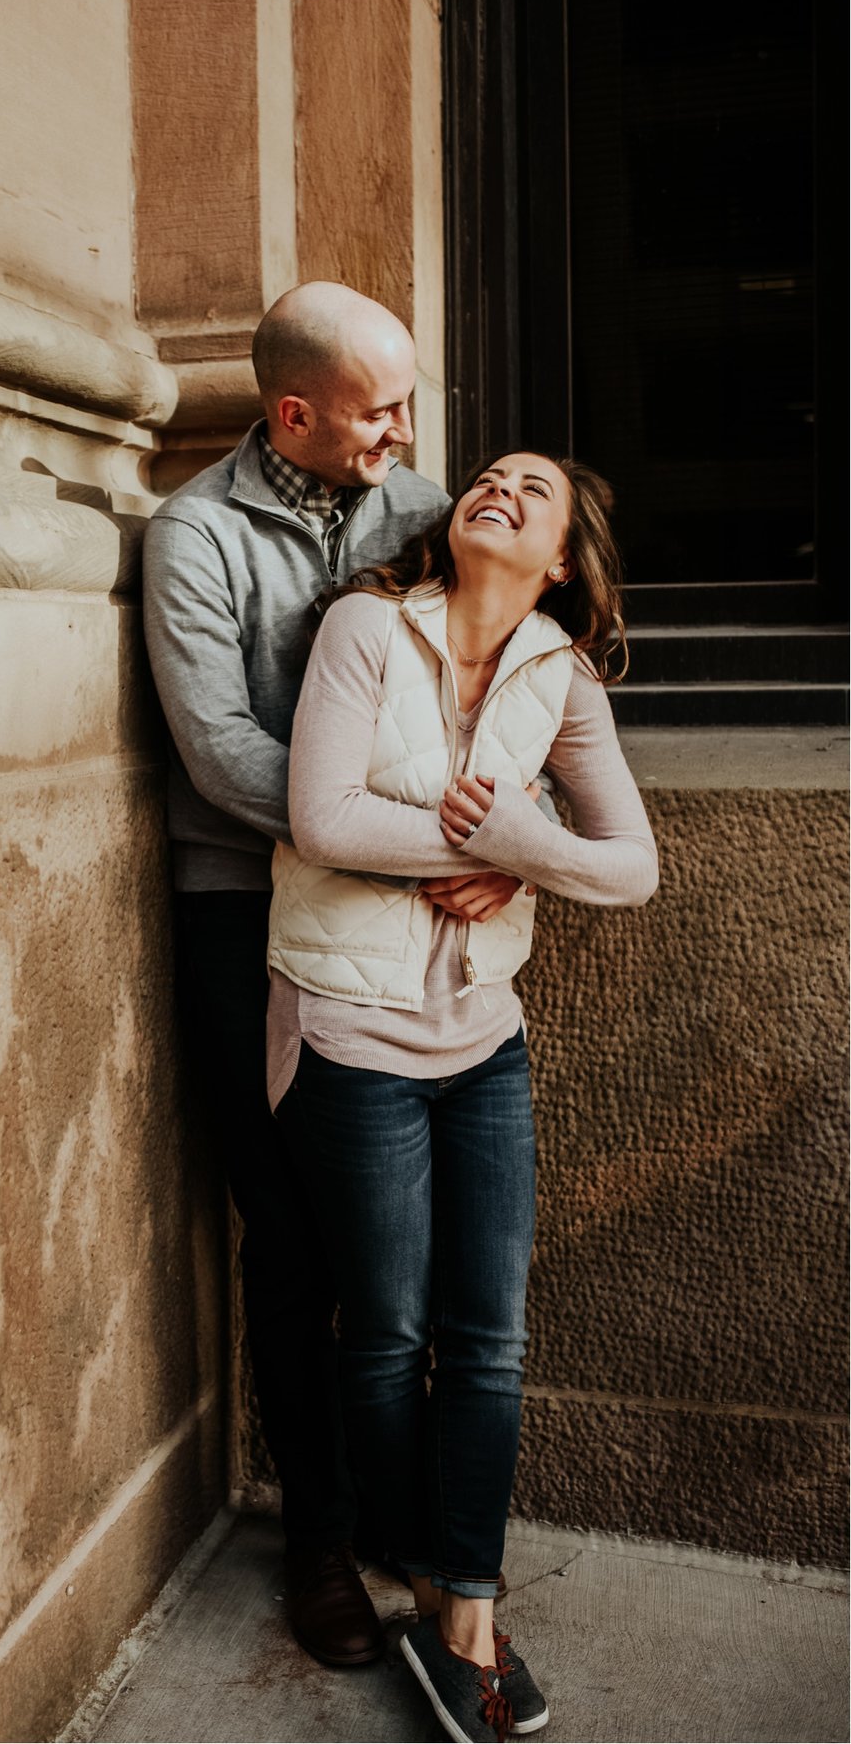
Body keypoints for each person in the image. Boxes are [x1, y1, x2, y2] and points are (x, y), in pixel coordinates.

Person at [140, 281, 534, 1668]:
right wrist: (408, 847)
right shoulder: (191, 535)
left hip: (397, 936)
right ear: (292, 412)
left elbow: (510, 677)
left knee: (413, 1268)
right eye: (379, 408)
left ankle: (420, 1537)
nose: (405, 430)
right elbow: (220, 753)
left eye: (408, 401)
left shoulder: (425, 506)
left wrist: (519, 842)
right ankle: (320, 1543)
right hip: (243, 925)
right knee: (294, 1245)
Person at [274, 450, 655, 1740]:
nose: (499, 488)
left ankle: (464, 1605)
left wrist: (527, 851)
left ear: (560, 560)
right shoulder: (363, 628)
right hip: (350, 1030)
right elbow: (320, 818)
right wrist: (489, 837)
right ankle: (417, 1563)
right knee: (383, 1328)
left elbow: (631, 867)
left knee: (487, 1334)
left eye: (532, 491)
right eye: (487, 476)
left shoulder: (562, 679)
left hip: (484, 1038)